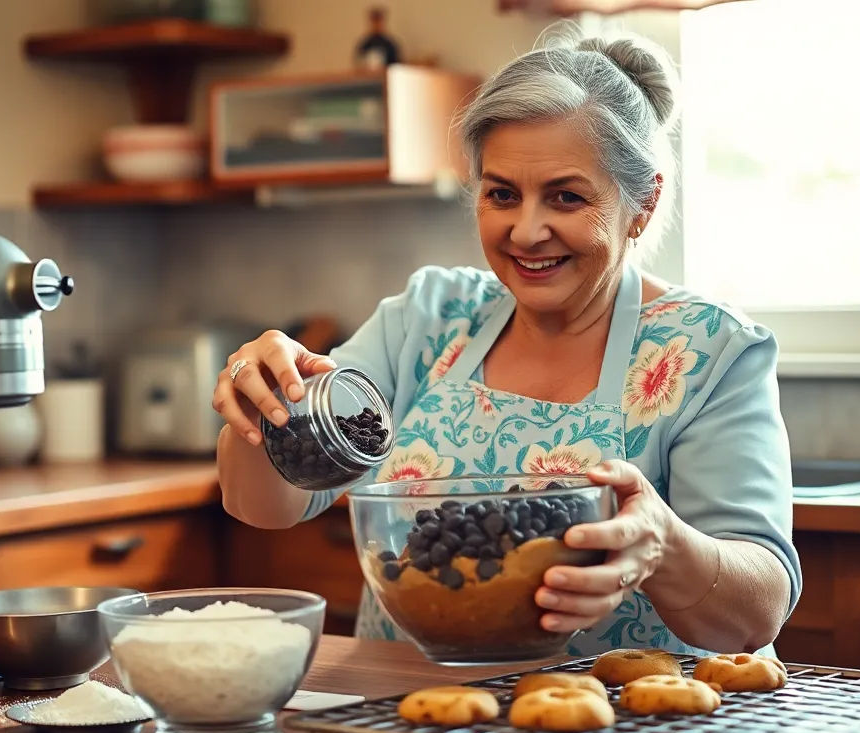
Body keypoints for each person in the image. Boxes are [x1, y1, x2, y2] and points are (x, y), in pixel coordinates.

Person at [212, 30, 801, 658]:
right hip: (405, 713)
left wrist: (663, 543)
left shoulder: (709, 351)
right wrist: (264, 416)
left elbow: (755, 613)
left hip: (628, 732)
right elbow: (267, 507)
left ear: (643, 203)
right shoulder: (429, 318)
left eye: (566, 197)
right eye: (501, 195)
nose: (526, 231)